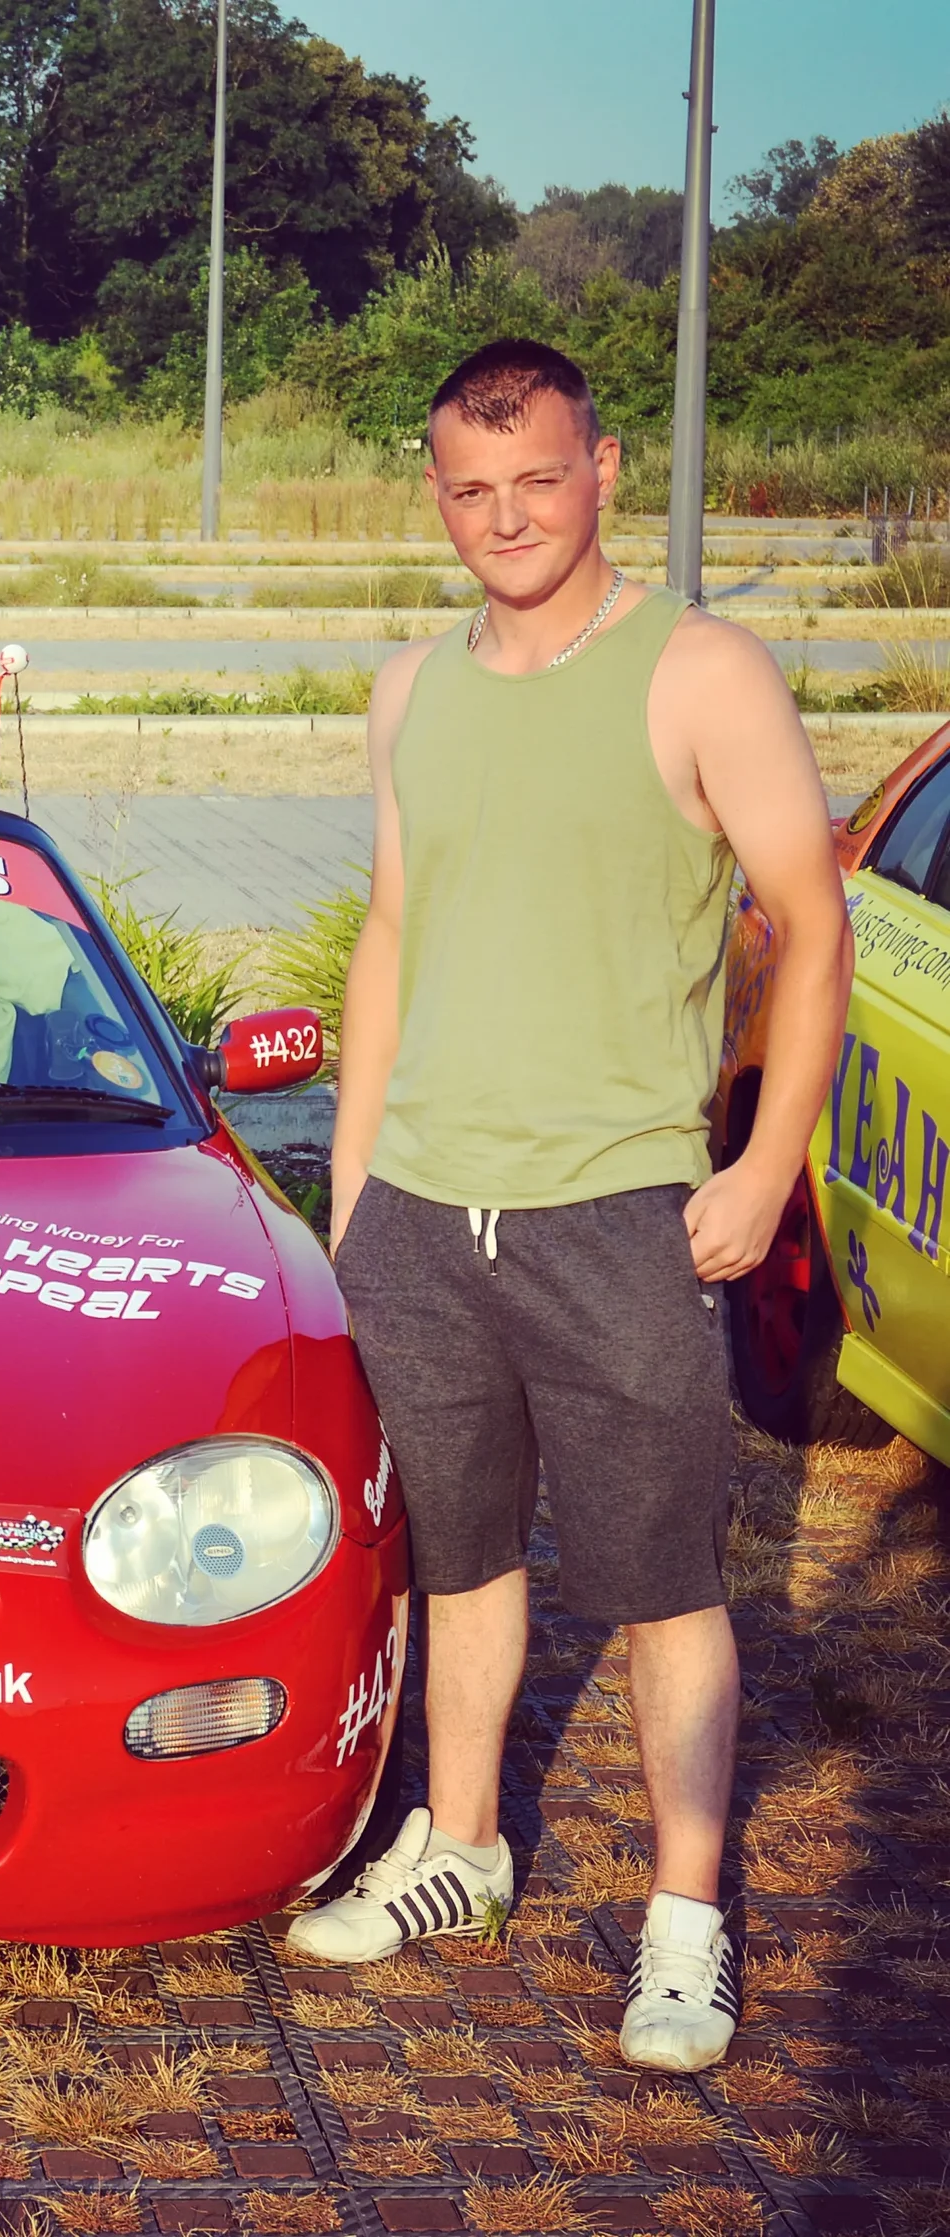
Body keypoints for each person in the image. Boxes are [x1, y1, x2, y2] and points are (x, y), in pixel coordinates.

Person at [289, 341, 848, 2074]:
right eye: (470, 486)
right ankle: (460, 1851)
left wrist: (761, 1166)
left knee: (664, 1581)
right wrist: (354, 1172)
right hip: (426, 1207)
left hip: (620, 1211)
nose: (506, 516)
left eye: (538, 477)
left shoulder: (700, 674)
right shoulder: (410, 692)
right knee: (459, 1570)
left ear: (605, 468)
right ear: (438, 491)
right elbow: (392, 932)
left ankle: (689, 1920)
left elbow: (810, 926)